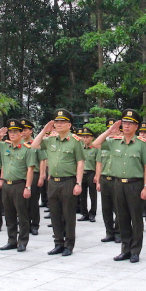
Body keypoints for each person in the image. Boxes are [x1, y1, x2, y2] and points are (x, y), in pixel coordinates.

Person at [93, 110, 146, 263]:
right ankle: (125, 250)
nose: (126, 126)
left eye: (130, 123)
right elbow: (95, 143)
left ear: (136, 126)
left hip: (135, 184)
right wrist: (109, 131)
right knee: (122, 218)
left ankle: (135, 251)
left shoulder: (141, 144)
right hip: (118, 184)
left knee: (136, 219)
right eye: (125, 123)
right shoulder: (114, 142)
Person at [31, 109, 85, 257]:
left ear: (69, 125)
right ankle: (58, 243)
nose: (59, 124)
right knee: (55, 214)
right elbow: (34, 145)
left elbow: (80, 162)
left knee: (68, 215)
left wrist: (78, 183)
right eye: (57, 122)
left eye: (62, 122)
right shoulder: (50, 140)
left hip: (68, 181)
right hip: (53, 182)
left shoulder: (75, 141)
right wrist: (44, 130)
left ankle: (68, 245)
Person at [0, 119, 38, 252]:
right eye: (10, 132)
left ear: (21, 133)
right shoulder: (5, 146)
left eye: (15, 132)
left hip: (19, 185)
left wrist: (28, 187)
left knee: (22, 215)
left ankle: (22, 241)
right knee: (9, 214)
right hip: (7, 184)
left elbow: (30, 169)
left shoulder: (27, 149)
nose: (12, 134)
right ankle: (11, 240)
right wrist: (0, 134)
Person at [96, 117, 121, 243]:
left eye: (115, 129)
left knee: (118, 208)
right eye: (110, 129)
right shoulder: (105, 144)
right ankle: (109, 232)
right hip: (105, 179)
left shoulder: (122, 144)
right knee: (106, 208)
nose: (112, 131)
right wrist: (98, 180)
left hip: (117, 180)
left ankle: (118, 232)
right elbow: (99, 163)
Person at [21, 118, 42, 235]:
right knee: (22, 202)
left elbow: (42, 160)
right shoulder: (19, 145)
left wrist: (41, 176)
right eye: (21, 130)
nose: (23, 132)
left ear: (31, 131)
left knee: (33, 202)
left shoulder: (36, 144)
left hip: (34, 174)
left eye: (25, 130)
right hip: (21, 176)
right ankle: (25, 224)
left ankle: (34, 225)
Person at [78, 127, 98, 222]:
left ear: (92, 138)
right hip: (82, 173)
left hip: (91, 173)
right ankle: (84, 213)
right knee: (82, 194)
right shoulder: (80, 148)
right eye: (84, 137)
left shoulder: (95, 149)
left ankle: (92, 213)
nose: (85, 139)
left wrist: (97, 176)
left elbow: (98, 163)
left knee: (92, 194)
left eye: (87, 137)